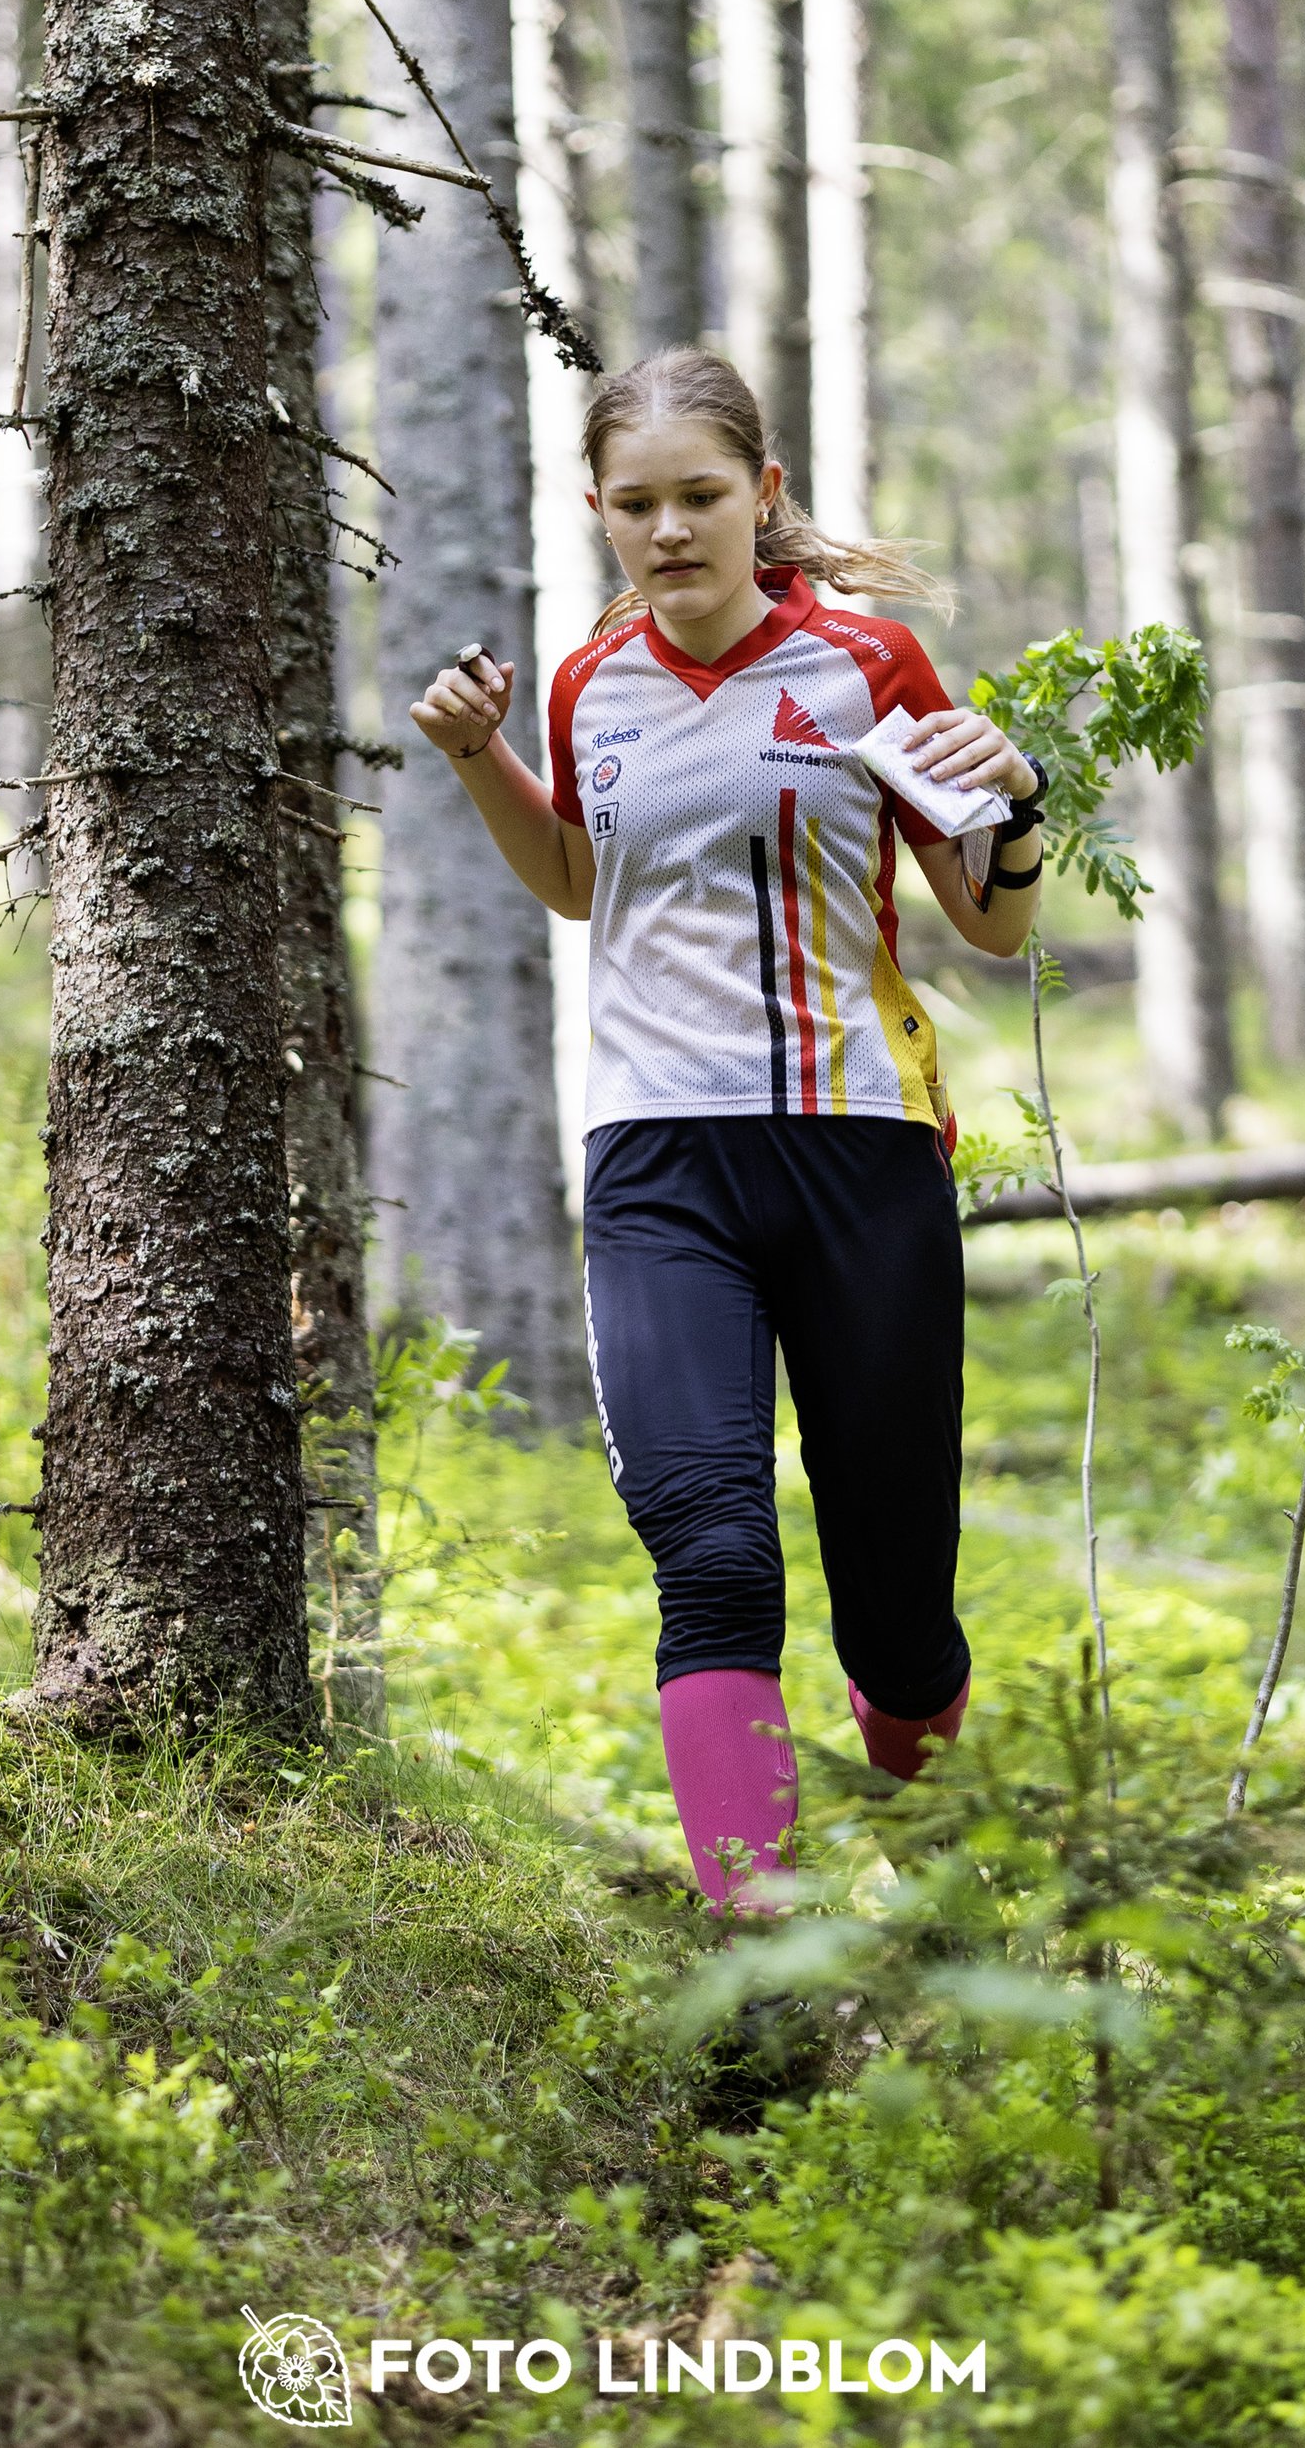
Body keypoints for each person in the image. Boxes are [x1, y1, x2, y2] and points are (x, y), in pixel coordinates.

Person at [409, 347, 1044, 1913]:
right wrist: (481, 754)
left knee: (897, 1607)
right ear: (599, 512)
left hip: (859, 1151)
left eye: (699, 495)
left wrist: (1021, 808)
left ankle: (935, 1892)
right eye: (637, 504)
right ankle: (759, 1943)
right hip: (658, 1161)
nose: (670, 529)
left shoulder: (867, 665)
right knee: (711, 1551)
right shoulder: (588, 683)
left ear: (762, 495)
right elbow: (579, 881)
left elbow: (991, 924)